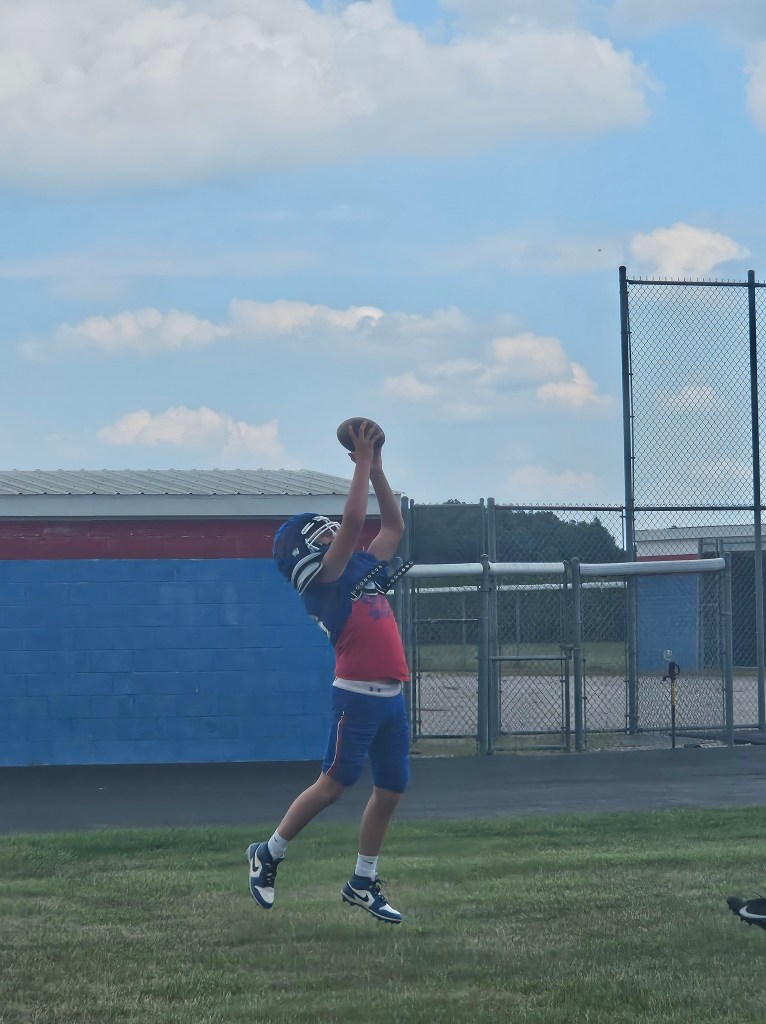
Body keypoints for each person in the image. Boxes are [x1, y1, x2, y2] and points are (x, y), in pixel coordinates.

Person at [247, 420, 412, 924]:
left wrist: (378, 469)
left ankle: (362, 879)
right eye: (316, 533)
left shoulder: (357, 567)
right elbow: (356, 516)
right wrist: (362, 459)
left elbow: (393, 527)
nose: (328, 532)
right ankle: (269, 852)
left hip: (391, 694)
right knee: (334, 784)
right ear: (304, 554)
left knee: (390, 789)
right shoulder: (324, 582)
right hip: (357, 695)